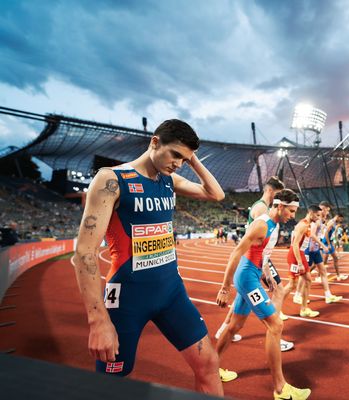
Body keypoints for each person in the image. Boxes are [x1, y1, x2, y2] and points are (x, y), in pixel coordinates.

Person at [72, 119, 233, 396]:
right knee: (112, 385)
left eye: (185, 159)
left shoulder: (169, 180)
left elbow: (215, 194)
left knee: (209, 363)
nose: (179, 164)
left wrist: (192, 159)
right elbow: (84, 253)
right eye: (176, 155)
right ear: (155, 142)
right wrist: (98, 321)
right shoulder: (111, 179)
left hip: (171, 293)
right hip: (127, 299)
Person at [215, 189, 311, 400]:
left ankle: (212, 367)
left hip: (254, 274)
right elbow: (236, 253)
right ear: (280, 206)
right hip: (246, 277)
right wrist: (225, 287)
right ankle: (280, 389)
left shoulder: (274, 226)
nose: (293, 216)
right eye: (291, 211)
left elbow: (263, 255)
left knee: (234, 326)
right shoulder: (262, 223)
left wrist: (268, 277)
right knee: (275, 325)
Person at [214, 176, 294, 352]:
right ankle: (275, 334)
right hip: (253, 260)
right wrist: (225, 287)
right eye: (279, 195)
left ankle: (225, 330)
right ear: (271, 191)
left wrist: (265, 270)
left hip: (258, 261)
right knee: (275, 303)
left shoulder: (267, 210)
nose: (280, 199)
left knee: (238, 316)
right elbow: (255, 239)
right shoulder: (262, 209)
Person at [284, 205, 322, 317]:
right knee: (292, 285)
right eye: (317, 215)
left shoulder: (308, 224)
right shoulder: (303, 225)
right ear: (311, 213)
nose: (319, 218)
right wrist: (300, 263)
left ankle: (304, 309)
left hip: (300, 253)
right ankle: (275, 311)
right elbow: (295, 244)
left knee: (308, 280)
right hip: (295, 256)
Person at [321, 212, 348, 281]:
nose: (341, 221)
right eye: (341, 219)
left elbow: (332, 233)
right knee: (322, 262)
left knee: (335, 259)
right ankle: (312, 274)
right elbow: (326, 233)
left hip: (329, 242)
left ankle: (338, 275)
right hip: (326, 242)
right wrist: (328, 244)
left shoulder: (335, 223)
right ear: (338, 216)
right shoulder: (331, 222)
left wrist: (333, 241)